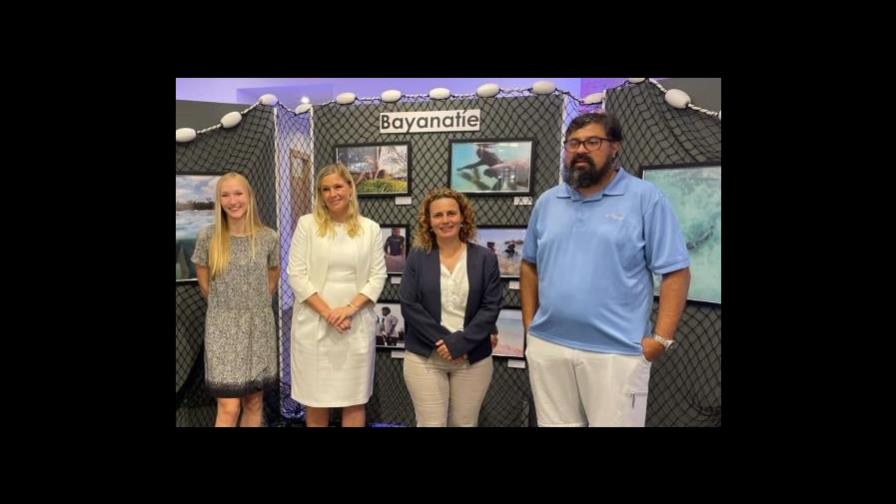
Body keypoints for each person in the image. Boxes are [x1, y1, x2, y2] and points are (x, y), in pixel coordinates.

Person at [520, 112, 691, 427]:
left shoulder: (645, 198)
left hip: (618, 352)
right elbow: (529, 264)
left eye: (592, 142)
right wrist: (531, 326)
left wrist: (661, 339)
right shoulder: (548, 201)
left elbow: (676, 272)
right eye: (573, 143)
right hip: (548, 346)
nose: (581, 150)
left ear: (615, 148)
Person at [287, 163, 387, 427]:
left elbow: (378, 276)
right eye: (325, 189)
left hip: (354, 326)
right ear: (319, 195)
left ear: (351, 188)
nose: (332, 194)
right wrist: (330, 313)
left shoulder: (371, 229)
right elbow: (296, 274)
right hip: (313, 325)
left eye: (338, 186)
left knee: (353, 400)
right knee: (315, 400)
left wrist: (349, 310)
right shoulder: (306, 225)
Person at [399, 188, 503, 427]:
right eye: (438, 215)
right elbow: (409, 305)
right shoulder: (417, 256)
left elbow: (491, 307)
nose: (445, 220)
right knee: (430, 423)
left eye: (451, 213)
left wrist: (461, 344)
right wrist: (445, 342)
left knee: (464, 423)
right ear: (429, 222)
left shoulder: (485, 257)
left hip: (472, 356)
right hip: (425, 356)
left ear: (462, 217)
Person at [191, 171, 280, 427]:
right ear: (219, 200)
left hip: (259, 328)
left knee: (254, 402)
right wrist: (228, 306)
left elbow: (271, 278)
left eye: (238, 193)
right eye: (225, 195)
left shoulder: (268, 237)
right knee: (228, 407)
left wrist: (253, 303)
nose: (233, 201)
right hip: (223, 329)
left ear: (249, 196)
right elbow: (205, 284)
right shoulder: (208, 237)